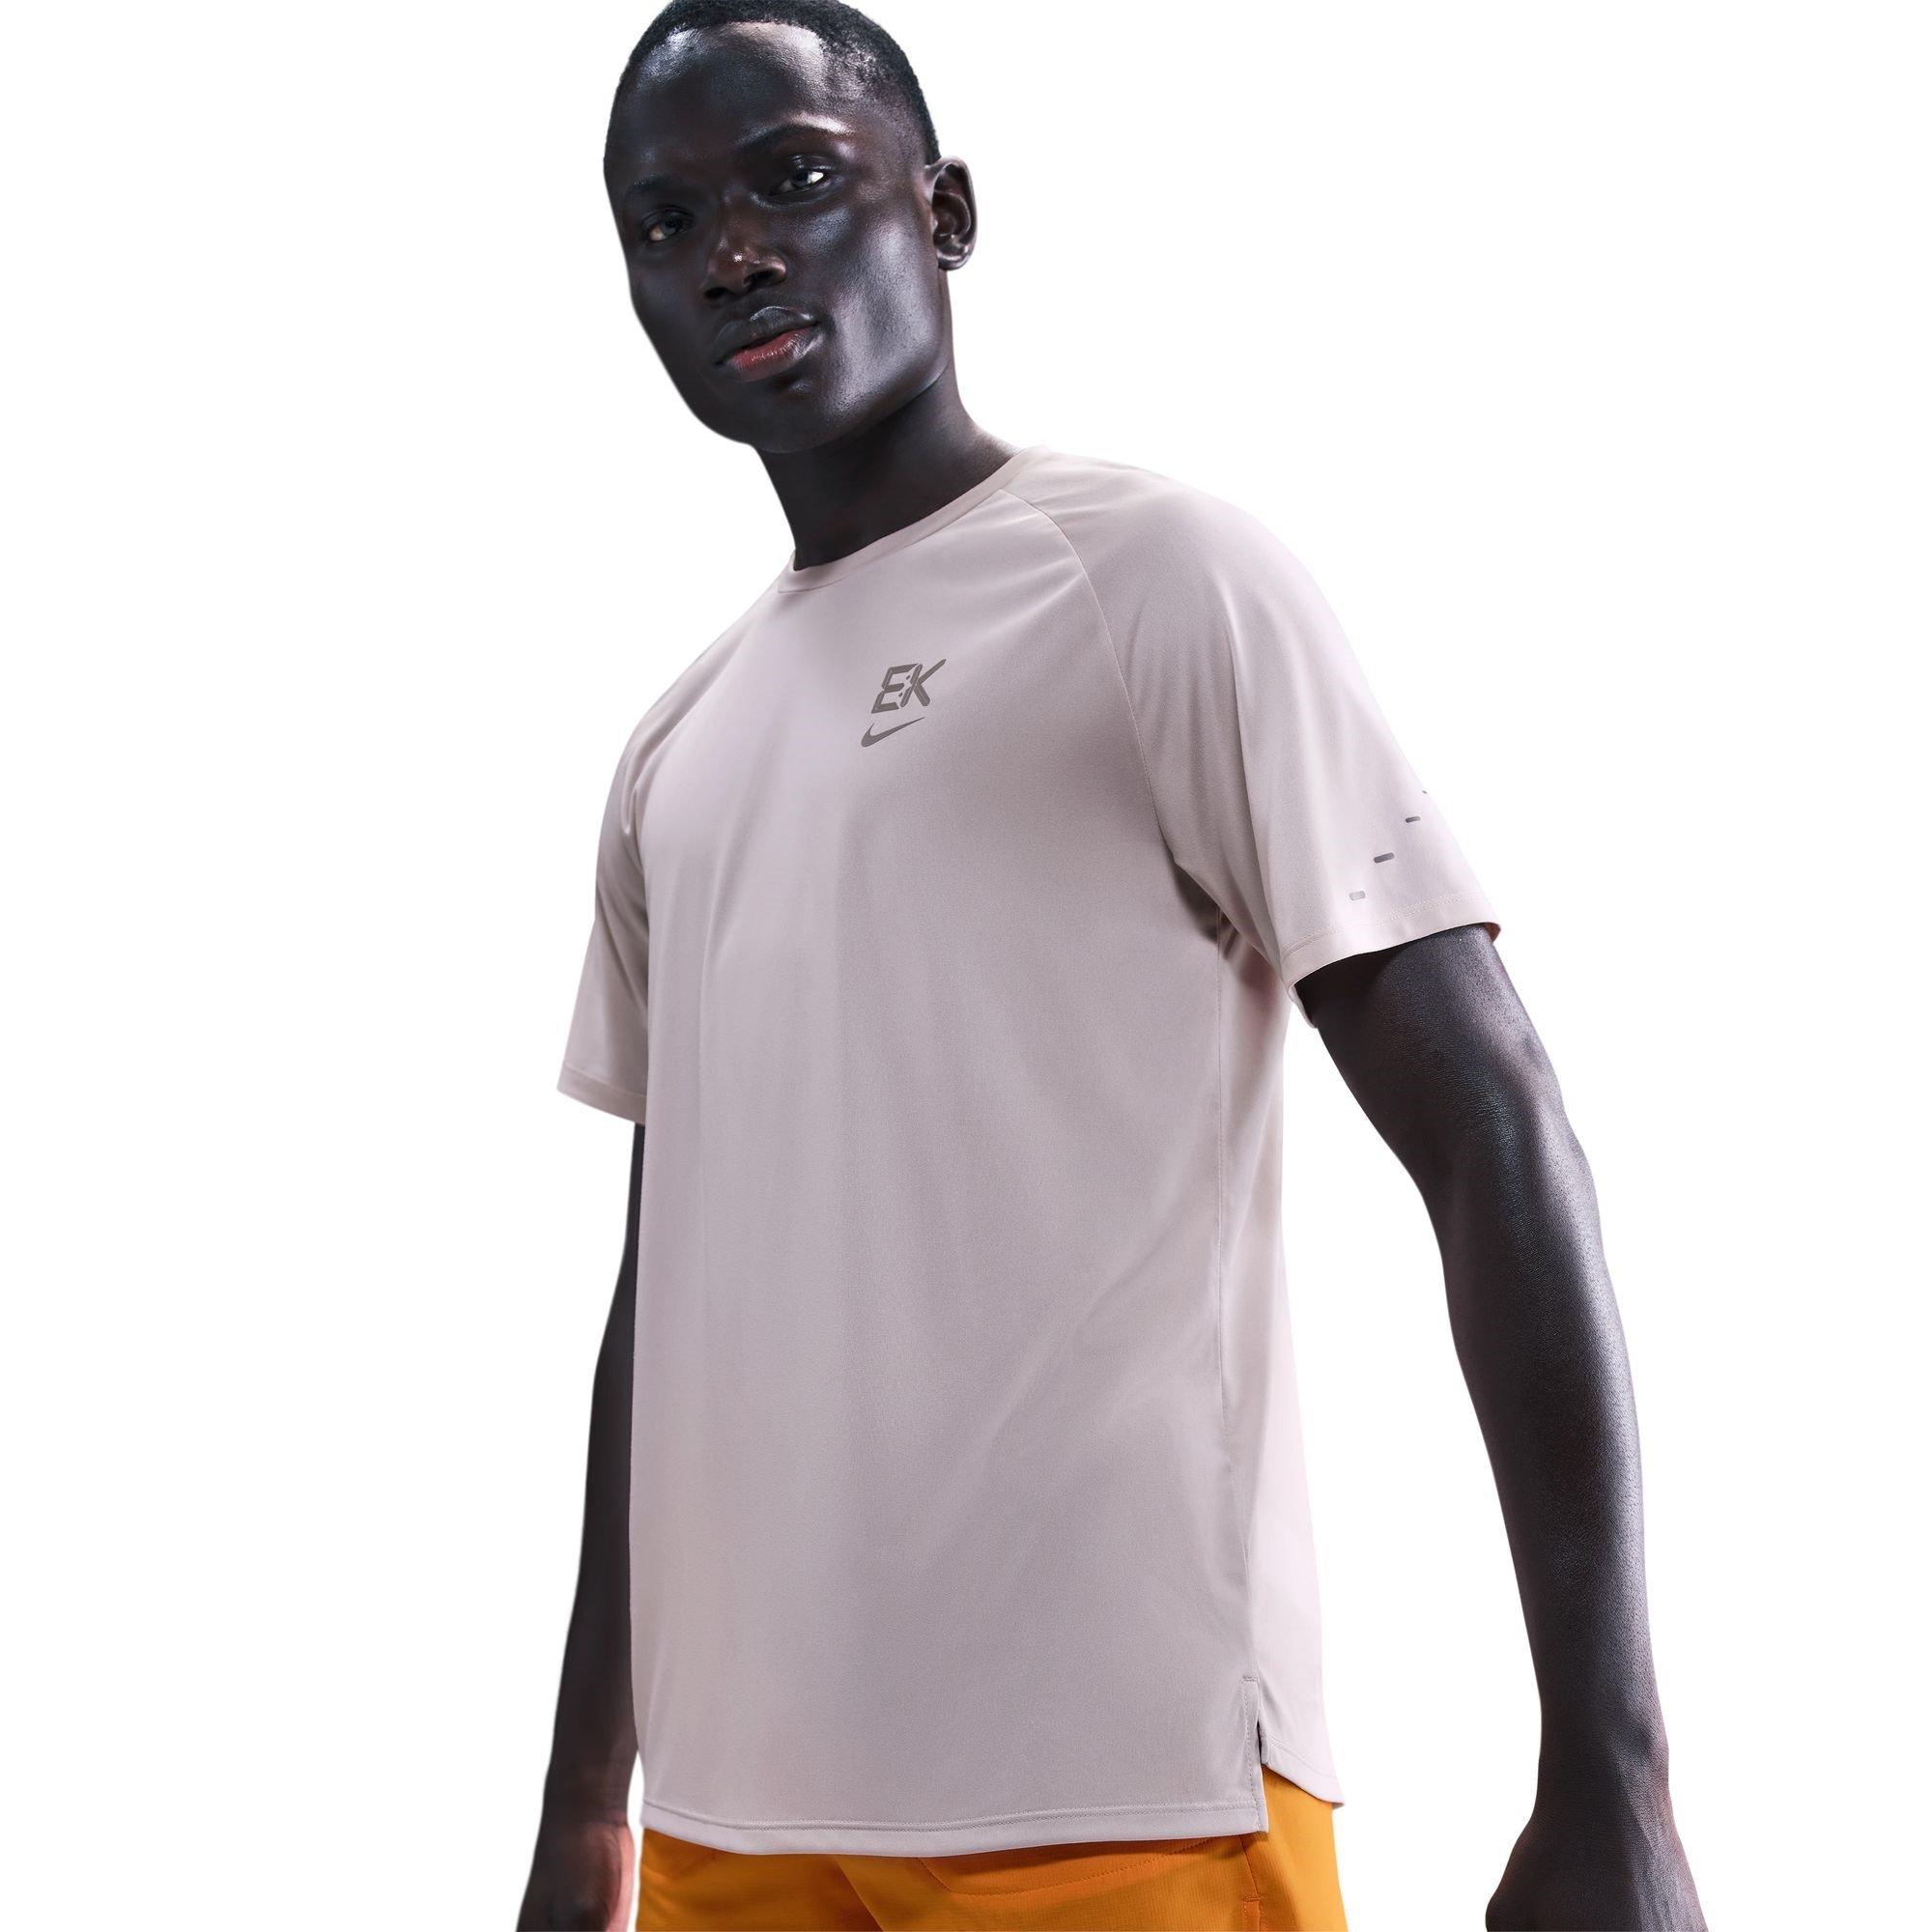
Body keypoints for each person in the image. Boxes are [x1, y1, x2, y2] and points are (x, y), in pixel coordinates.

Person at [517, 4, 1707, 1927]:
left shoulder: (1159, 579)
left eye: (791, 181)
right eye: (663, 221)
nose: (728, 252)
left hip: (1122, 1792)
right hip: (737, 1829)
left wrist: (1612, 1772)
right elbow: (669, 1298)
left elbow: (1492, 1127)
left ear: (945, 211)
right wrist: (589, 1802)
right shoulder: (677, 748)